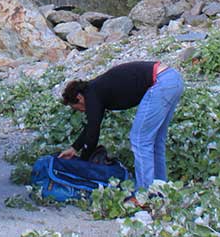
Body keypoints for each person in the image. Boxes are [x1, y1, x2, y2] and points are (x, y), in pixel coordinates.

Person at [59, 61, 184, 207]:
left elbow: (93, 132)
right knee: (156, 141)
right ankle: (161, 190)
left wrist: (83, 161)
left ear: (79, 98)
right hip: (173, 79)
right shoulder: (96, 89)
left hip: (160, 83)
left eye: (77, 108)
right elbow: (92, 126)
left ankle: (143, 196)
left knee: (140, 140)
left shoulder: (91, 94)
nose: (82, 111)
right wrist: (75, 148)